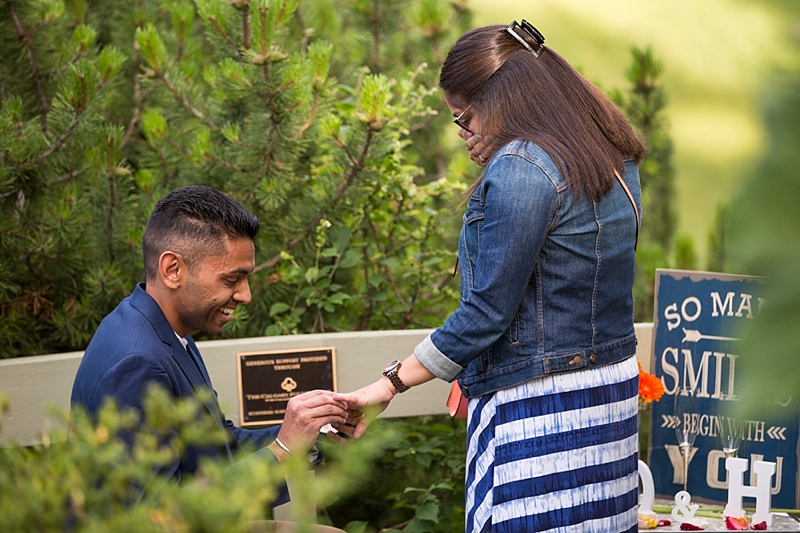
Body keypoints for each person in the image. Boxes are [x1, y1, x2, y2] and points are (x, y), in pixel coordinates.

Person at [338, 20, 645, 533]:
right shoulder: (611, 151)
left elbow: (487, 312)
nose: (463, 133)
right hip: (609, 397)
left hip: (544, 409)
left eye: (465, 116)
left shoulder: (524, 166)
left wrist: (388, 385)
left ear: (501, 101)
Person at [71, 185, 350, 505]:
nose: (246, 295)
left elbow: (219, 445)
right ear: (172, 269)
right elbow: (156, 516)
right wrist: (282, 451)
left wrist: (315, 435)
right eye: (231, 279)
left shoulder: (167, 330)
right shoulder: (137, 362)